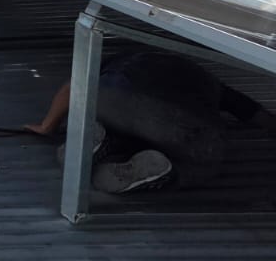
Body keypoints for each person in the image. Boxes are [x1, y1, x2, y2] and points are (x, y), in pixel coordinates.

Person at [23, 51, 276, 194]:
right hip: (178, 120)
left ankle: (95, 137)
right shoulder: (204, 78)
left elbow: (73, 87)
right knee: (205, 159)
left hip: (115, 96)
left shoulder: (119, 58)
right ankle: (164, 169)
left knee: (102, 114)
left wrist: (48, 126)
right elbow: (251, 111)